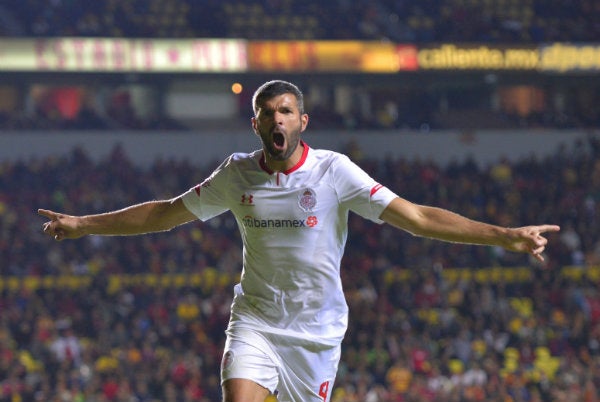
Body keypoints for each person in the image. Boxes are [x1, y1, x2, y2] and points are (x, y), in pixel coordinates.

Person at [39, 80, 560, 402]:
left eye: (286, 111)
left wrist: (505, 237)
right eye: (268, 112)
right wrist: (86, 223)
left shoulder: (335, 172)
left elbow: (418, 217)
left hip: (316, 333)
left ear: (302, 120)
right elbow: (165, 214)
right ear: (256, 124)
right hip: (257, 321)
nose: (277, 119)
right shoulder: (236, 174)